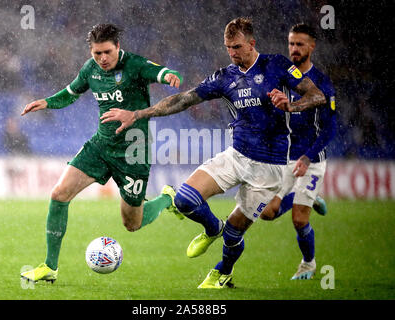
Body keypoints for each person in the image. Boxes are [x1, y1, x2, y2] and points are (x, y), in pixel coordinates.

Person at [101, 17, 327, 289]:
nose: (232, 53)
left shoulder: (276, 65)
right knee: (184, 199)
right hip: (236, 156)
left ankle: (224, 271)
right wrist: (138, 114)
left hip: (269, 166)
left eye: (237, 47)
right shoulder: (225, 77)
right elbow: (184, 99)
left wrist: (293, 106)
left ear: (252, 43)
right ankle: (212, 228)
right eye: (228, 47)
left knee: (236, 232)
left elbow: (317, 96)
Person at [20, 23, 184, 284]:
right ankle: (50, 267)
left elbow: (162, 72)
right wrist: (47, 102)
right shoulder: (91, 69)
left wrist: (170, 76)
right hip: (101, 146)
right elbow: (72, 92)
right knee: (59, 194)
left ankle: (166, 198)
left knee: (132, 223)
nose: (102, 59)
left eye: (107, 52)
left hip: (133, 152)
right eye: (97, 53)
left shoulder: (135, 65)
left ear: (118, 47)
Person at [259, 23, 337, 280]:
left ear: (311, 47)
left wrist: (307, 157)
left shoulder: (322, 83)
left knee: (299, 219)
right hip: (283, 157)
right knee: (267, 212)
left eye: (300, 44)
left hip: (311, 159)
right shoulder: (281, 75)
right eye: (291, 43)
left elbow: (329, 130)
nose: (294, 48)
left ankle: (308, 263)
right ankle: (309, 197)